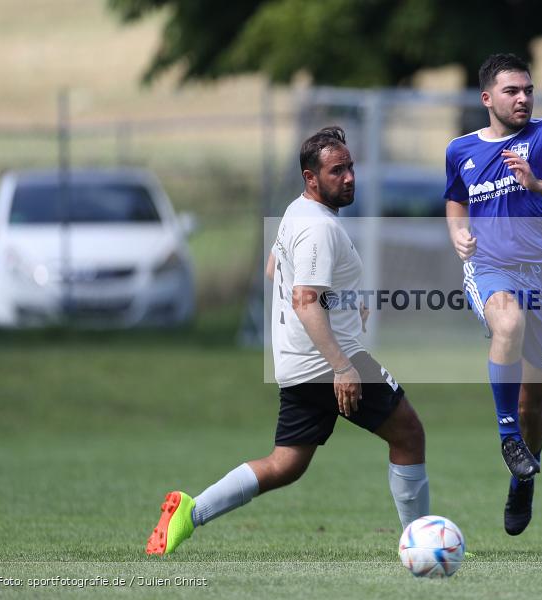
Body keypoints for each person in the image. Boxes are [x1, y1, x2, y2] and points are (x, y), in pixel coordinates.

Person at [145, 126, 429, 555]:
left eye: (351, 167)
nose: (349, 177)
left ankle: (189, 511)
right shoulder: (318, 228)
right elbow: (304, 300)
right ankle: (425, 543)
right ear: (310, 178)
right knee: (408, 433)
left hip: (297, 365)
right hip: (330, 362)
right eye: (337, 171)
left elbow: (273, 268)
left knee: (285, 465)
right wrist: (343, 366)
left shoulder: (296, 212)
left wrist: (344, 298)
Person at [444, 54, 542, 536]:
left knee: (535, 405)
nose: (523, 98)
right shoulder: (461, 149)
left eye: (528, 89)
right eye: (512, 91)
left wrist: (538, 184)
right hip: (490, 268)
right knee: (506, 323)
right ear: (487, 98)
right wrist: (457, 233)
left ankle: (524, 474)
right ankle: (508, 437)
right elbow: (454, 197)